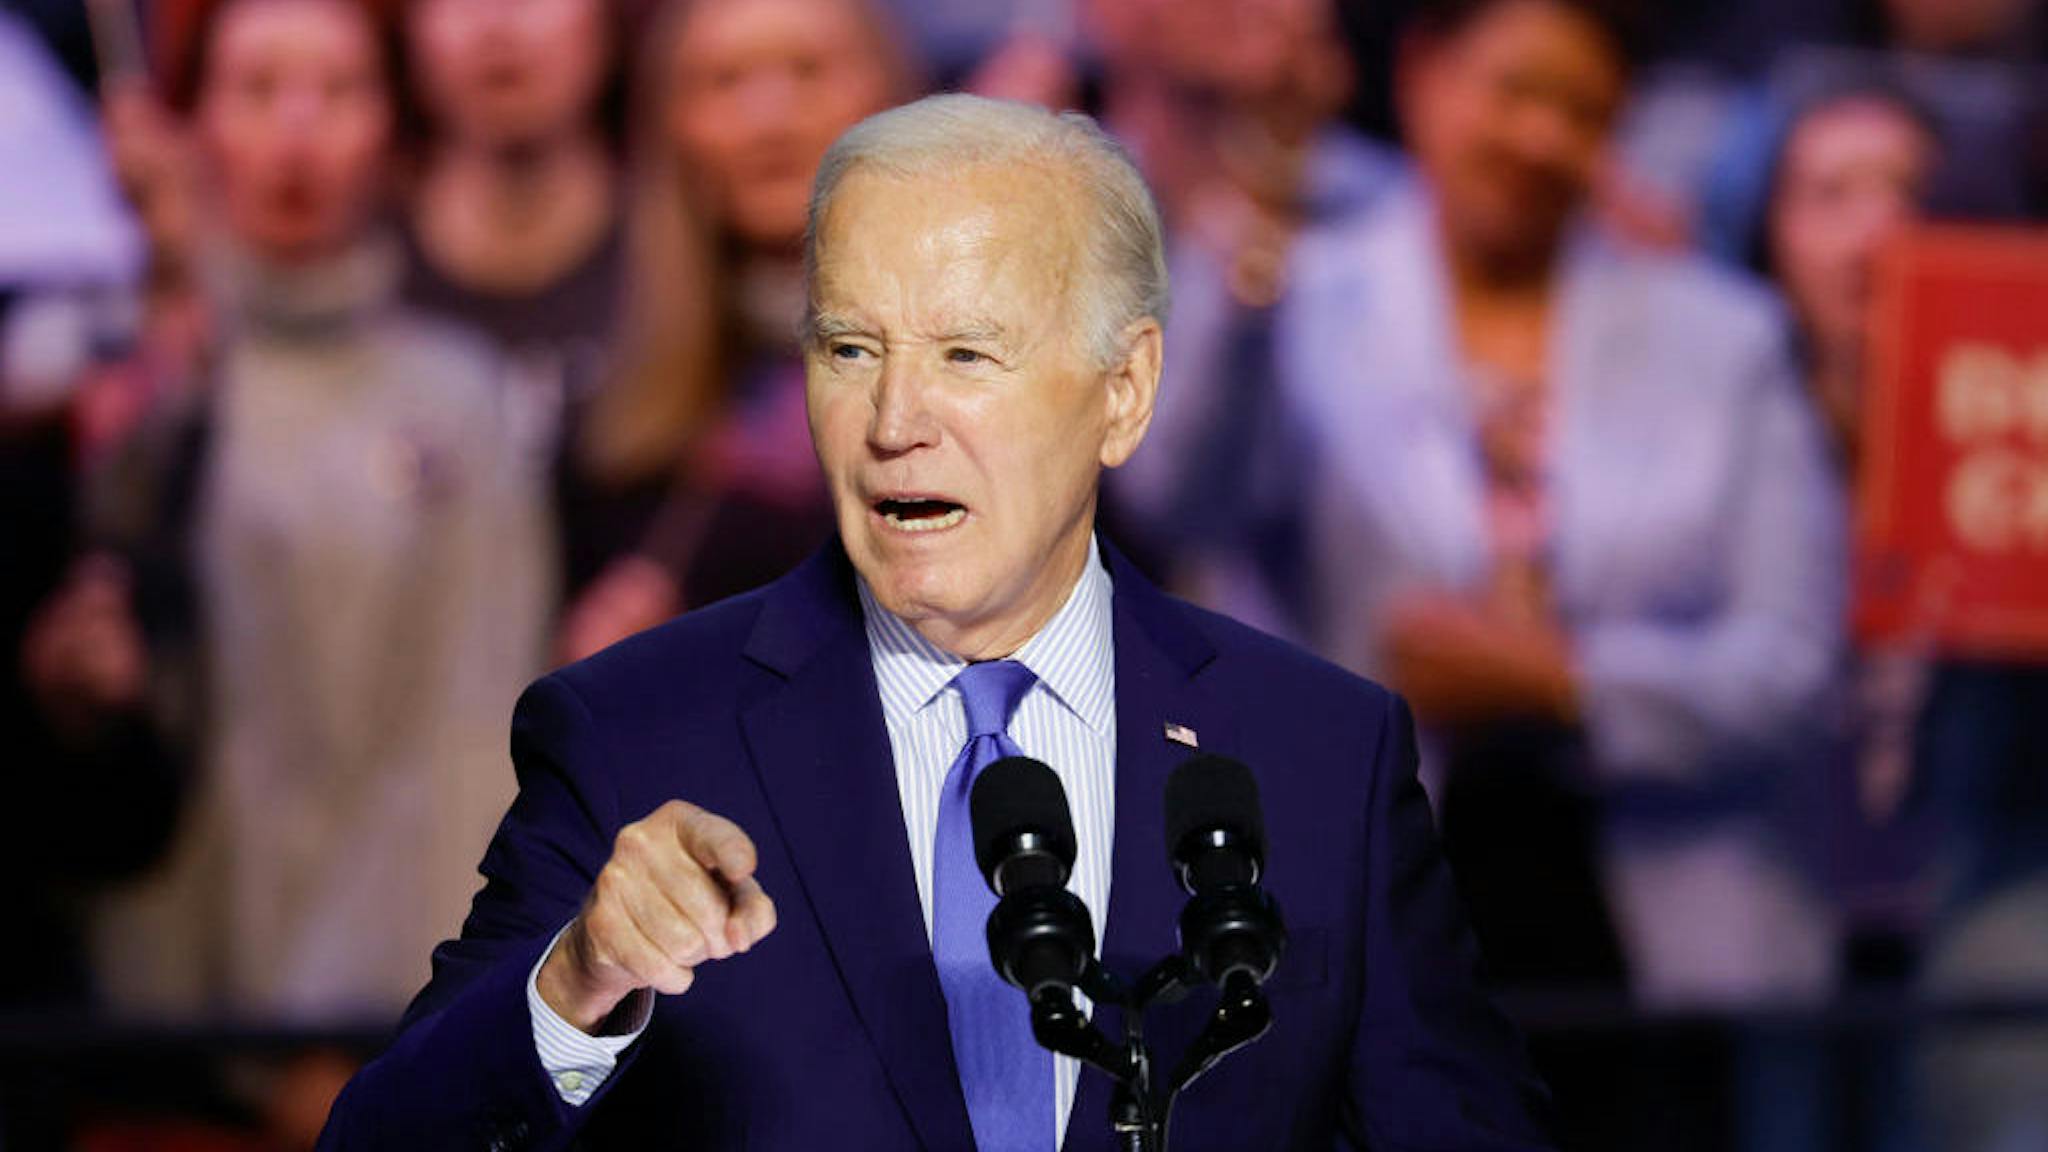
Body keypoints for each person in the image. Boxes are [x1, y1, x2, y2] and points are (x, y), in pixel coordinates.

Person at [317, 94, 1555, 1151]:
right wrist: (577, 983)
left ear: (1123, 391)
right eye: (848, 349)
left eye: (966, 354)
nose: (893, 420)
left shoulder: (1318, 756)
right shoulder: (636, 737)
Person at [81, 0, 552, 1025]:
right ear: (186, 124)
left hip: (371, 1017)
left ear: (396, 131)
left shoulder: (457, 398)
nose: (296, 133)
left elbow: (468, 738)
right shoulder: (122, 384)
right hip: (139, 1020)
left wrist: (373, 1022)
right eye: (255, 90)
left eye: (339, 92)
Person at [555, 0, 913, 662]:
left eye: (807, 70)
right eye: (723, 82)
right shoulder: (609, 409)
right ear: (669, 125)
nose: (769, 118)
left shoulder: (998, 377)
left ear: (890, 98)